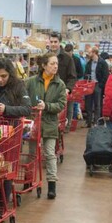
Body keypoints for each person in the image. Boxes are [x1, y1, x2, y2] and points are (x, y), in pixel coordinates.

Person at [25, 53, 67, 199]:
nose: (55, 66)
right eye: (52, 63)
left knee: (49, 154)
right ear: (43, 65)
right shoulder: (31, 82)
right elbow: (23, 97)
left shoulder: (60, 84)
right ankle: (27, 181)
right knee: (31, 154)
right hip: (34, 123)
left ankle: (51, 185)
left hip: (50, 123)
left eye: (56, 64)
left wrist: (47, 106)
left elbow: (61, 104)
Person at [0, 57, 32, 210]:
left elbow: (27, 108)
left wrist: (6, 110)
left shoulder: (18, 86)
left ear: (10, 74)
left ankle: (3, 202)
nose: (0, 80)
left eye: (4, 76)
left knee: (7, 168)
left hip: (11, 134)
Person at [83, 46, 110, 127]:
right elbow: (86, 73)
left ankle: (96, 122)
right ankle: (88, 122)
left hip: (98, 85)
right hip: (89, 85)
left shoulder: (103, 63)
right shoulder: (89, 63)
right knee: (88, 103)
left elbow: (106, 76)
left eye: (90, 52)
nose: (88, 53)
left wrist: (101, 85)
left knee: (98, 104)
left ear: (94, 53)